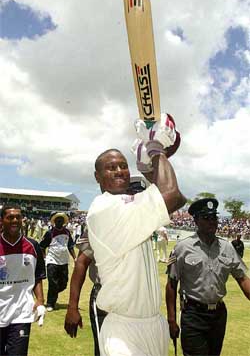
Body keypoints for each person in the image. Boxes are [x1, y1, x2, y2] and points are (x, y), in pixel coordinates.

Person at [87, 113, 186, 356]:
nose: (120, 171)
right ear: (97, 177)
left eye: (124, 165)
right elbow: (170, 195)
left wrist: (148, 167)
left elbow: (178, 198)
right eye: (111, 168)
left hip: (154, 323)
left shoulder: (128, 202)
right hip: (124, 328)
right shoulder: (104, 208)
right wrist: (155, 149)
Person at [64, 176, 148, 356]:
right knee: (107, 350)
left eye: (141, 196)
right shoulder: (102, 223)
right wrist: (72, 307)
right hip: (107, 297)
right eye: (132, 195)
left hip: (137, 299)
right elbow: (81, 262)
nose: (137, 200)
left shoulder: (146, 224)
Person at [166, 198, 250, 356]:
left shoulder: (227, 247)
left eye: (214, 218)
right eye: (206, 218)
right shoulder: (182, 248)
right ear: (196, 220)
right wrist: (171, 319)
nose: (212, 222)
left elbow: (242, 279)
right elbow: (172, 284)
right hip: (193, 315)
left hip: (218, 316)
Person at [0, 204, 46, 356]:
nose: (14, 220)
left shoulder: (32, 246)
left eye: (18, 217)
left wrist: (40, 300)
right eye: (10, 217)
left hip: (22, 312)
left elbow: (38, 275)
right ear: (1, 220)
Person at [40, 212, 76, 311]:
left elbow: (70, 246)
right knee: (53, 283)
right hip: (52, 261)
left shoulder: (67, 233)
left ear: (63, 222)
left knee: (63, 284)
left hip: (64, 262)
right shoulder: (49, 233)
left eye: (61, 220)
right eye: (57, 220)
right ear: (54, 221)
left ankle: (53, 294)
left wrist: (75, 258)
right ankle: (50, 303)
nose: (59, 221)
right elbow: (42, 246)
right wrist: (44, 258)